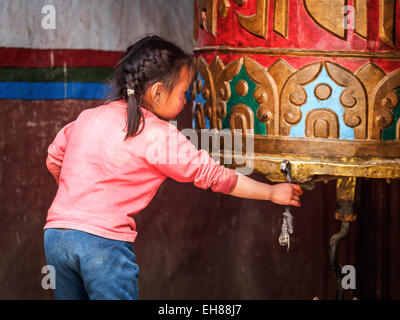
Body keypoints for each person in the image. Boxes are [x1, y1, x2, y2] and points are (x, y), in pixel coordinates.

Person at [44, 35, 303, 300]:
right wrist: (271, 192)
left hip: (55, 236)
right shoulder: (158, 135)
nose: (185, 100)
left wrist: (75, 203)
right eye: (184, 92)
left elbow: (53, 158)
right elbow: (215, 176)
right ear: (157, 92)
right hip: (103, 244)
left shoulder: (88, 117)